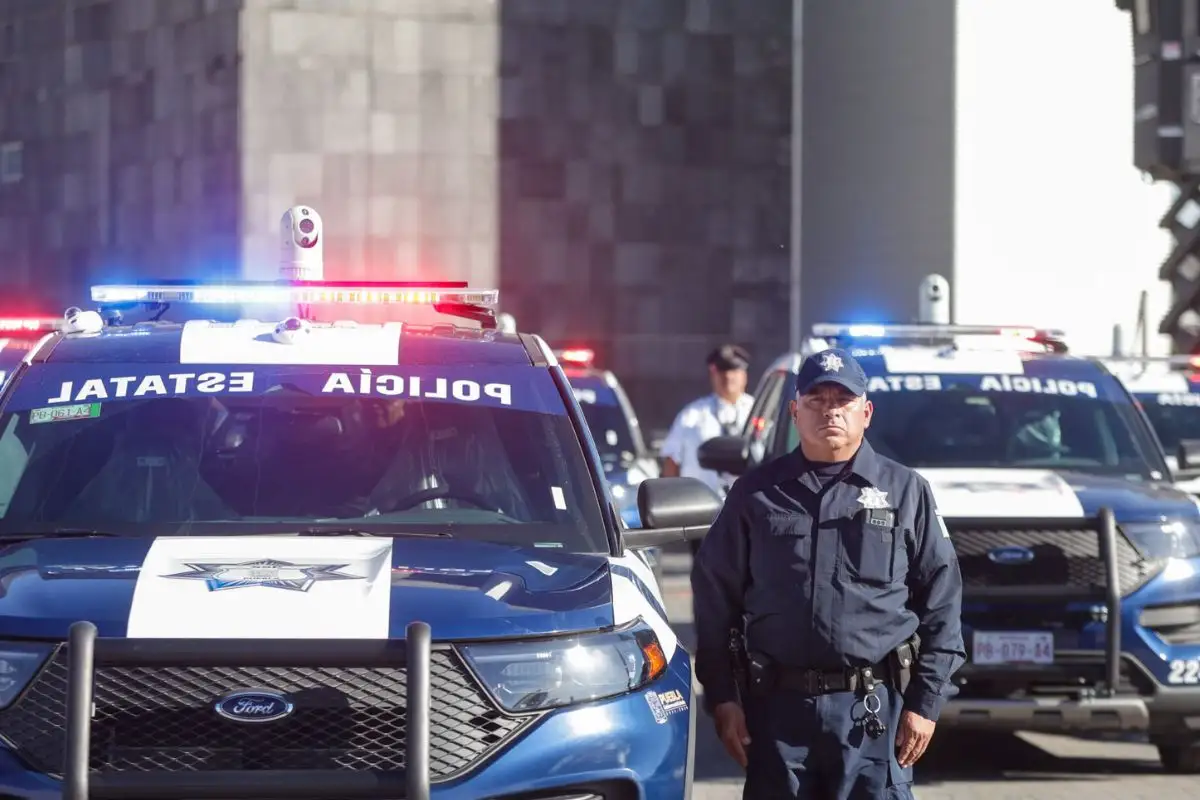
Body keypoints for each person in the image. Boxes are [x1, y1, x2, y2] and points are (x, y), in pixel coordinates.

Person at [691, 347, 965, 800]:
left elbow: (943, 603)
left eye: (843, 400)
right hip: (777, 715)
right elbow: (715, 602)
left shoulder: (905, 492)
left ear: (866, 412)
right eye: (816, 399)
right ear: (795, 411)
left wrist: (926, 702)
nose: (830, 410)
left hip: (873, 714)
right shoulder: (755, 495)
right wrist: (722, 698)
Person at [659, 344, 754, 554]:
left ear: (744, 374)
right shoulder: (692, 415)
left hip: (750, 514)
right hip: (704, 515)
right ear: (713, 375)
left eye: (734, 370)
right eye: (722, 371)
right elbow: (671, 462)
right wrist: (672, 509)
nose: (728, 377)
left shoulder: (758, 413)